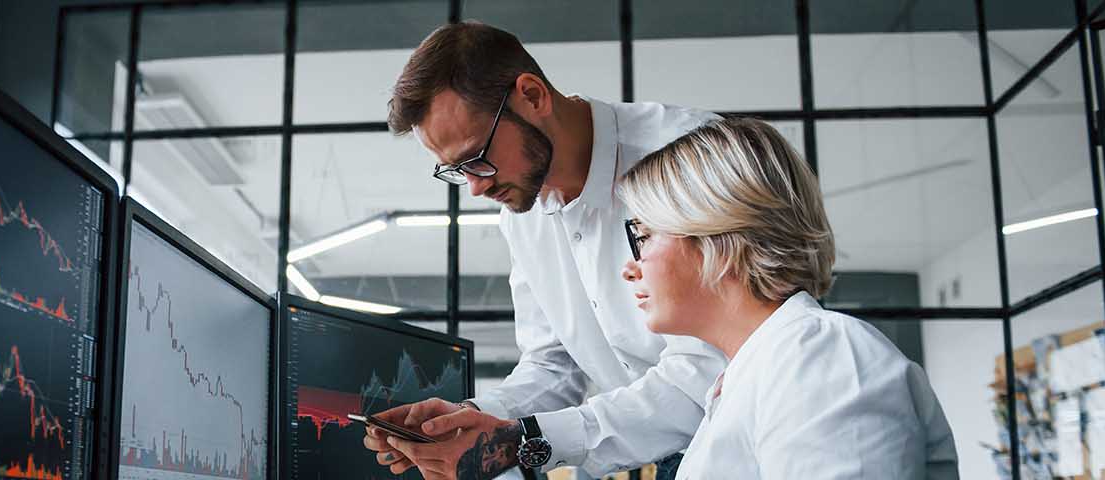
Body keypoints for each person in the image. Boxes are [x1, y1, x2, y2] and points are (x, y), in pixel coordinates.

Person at [362, 21, 727, 479]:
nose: (475, 187)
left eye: (477, 157)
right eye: (455, 170)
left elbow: (707, 373)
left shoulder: (688, 156)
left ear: (532, 96)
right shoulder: (523, 212)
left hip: (751, 446)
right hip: (661, 457)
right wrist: (469, 418)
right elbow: (552, 364)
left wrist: (521, 441)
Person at [615, 117, 958, 478]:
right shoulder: (760, 370)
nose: (630, 267)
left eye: (645, 235)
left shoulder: (817, 355)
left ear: (718, 236)